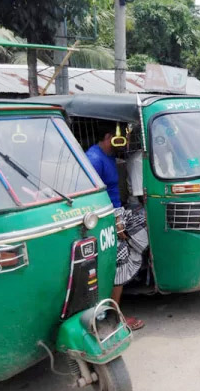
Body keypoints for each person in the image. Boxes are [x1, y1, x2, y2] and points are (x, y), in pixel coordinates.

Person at [86, 132, 145, 330]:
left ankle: (137, 274)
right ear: (109, 135)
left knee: (149, 219)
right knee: (120, 255)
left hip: (118, 212)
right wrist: (116, 222)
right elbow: (89, 198)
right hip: (105, 217)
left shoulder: (110, 155)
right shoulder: (94, 159)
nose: (127, 142)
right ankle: (114, 314)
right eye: (125, 137)